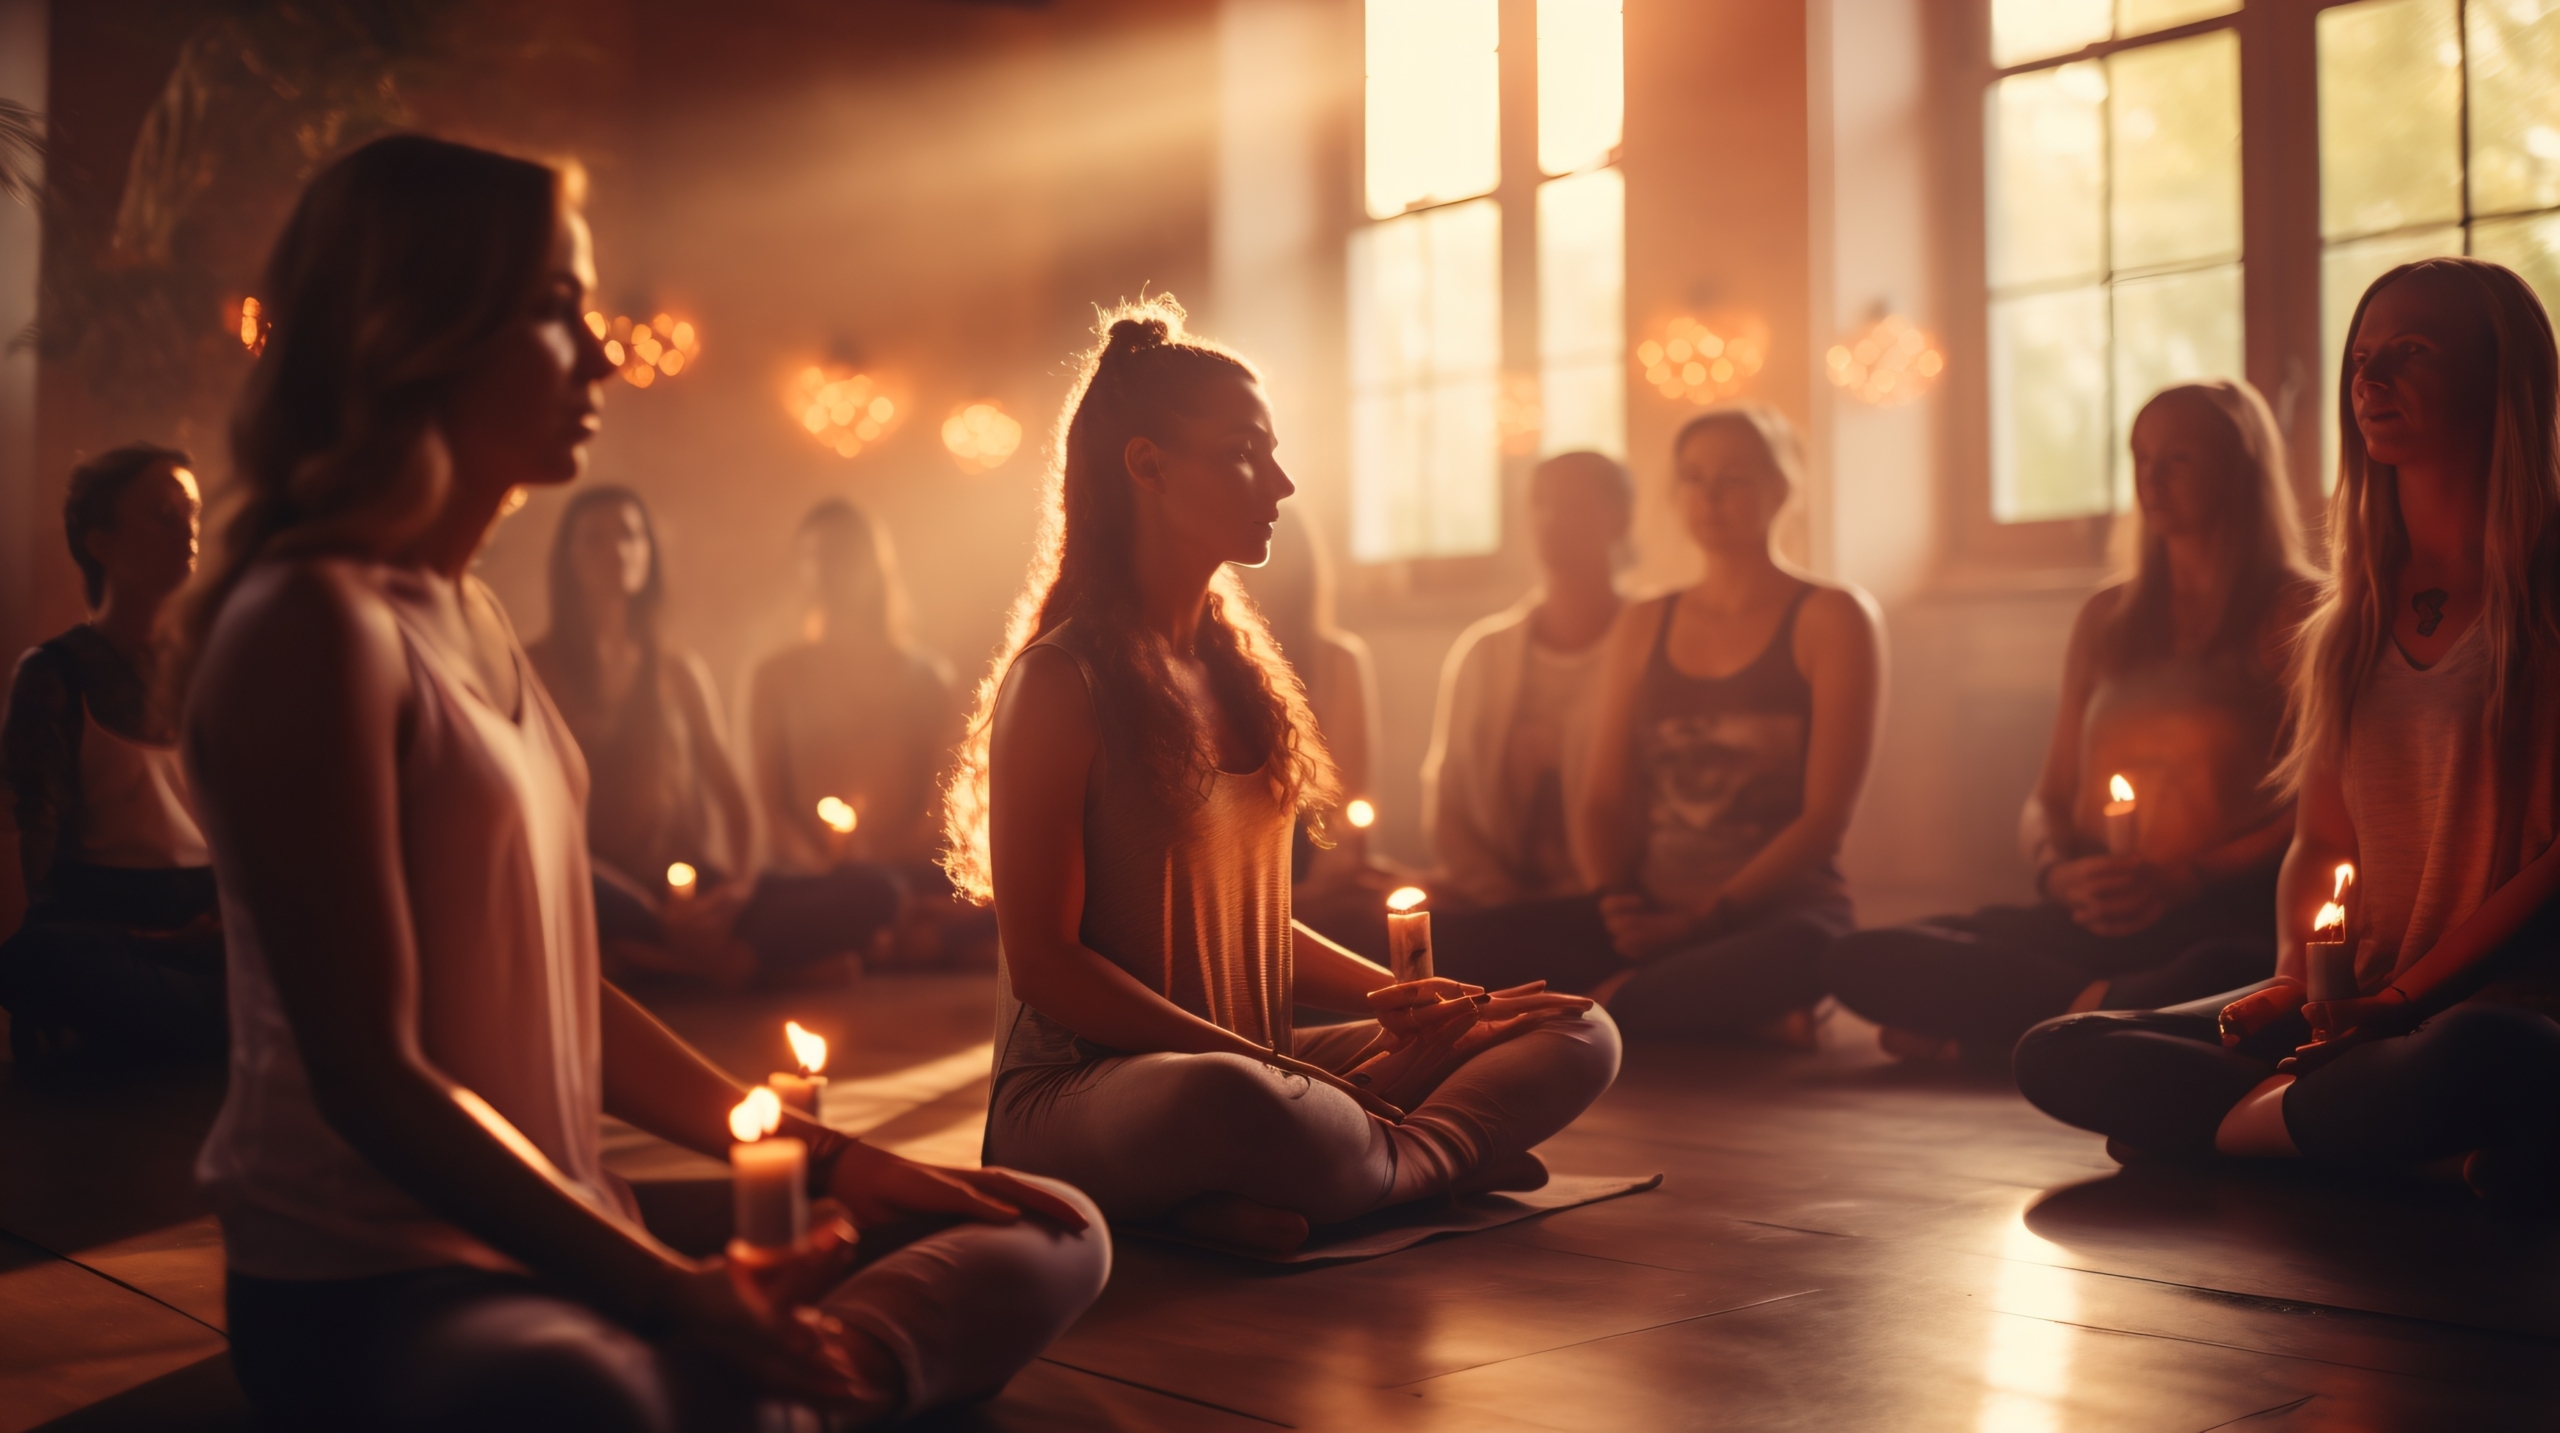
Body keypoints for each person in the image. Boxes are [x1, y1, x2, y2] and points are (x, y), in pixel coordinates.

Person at [179, 134, 1105, 1432]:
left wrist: (834, 1160)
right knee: (580, 1390)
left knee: (1048, 1221)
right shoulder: (310, 625)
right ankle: (762, 1379)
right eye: (558, 311)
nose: (606, 352)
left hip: (568, 1218)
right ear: (421, 327)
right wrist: (672, 1291)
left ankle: (769, 1390)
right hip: (371, 1279)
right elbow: (368, 1077)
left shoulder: (473, 616)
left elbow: (568, 990)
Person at [948, 297, 1619, 1255]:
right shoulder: (1060, 681)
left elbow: (1250, 917)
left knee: (1572, 1026)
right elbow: (1049, 966)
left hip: (1267, 1055)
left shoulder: (1235, 669)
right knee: (1234, 1100)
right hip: (1096, 1092)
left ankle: (1343, 1173)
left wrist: (1395, 997)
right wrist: (1269, 1066)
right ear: (1147, 466)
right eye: (1246, 451)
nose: (1283, 480)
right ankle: (1429, 1163)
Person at [2014, 258, 2560, 1206]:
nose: (2370, 379)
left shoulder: (2547, 599)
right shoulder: (2350, 617)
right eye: (2362, 356)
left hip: (2491, 1011)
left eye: (2412, 351)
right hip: (2354, 1005)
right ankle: (2386, 1144)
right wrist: (2286, 979)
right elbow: (2320, 839)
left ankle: (2252, 1128)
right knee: (2060, 1050)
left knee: (2487, 1052)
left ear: (2500, 374)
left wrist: (2397, 1002)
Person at [1824, 380, 2316, 1063]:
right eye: (2139, 456)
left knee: (2239, 976)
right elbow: (2048, 797)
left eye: (2178, 459)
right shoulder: (2107, 619)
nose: (2150, 477)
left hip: (2219, 916)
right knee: (1856, 956)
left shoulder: (2297, 613)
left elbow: (2323, 804)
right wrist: (2057, 873)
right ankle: (2097, 1018)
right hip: (2096, 918)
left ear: (2241, 468)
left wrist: (2193, 876)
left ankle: (2017, 1027)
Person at [1432, 405, 1884, 1045]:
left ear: (1781, 487)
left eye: (1733, 478)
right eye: (1694, 479)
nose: (1710, 499)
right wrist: (1616, 905)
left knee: (1814, 954)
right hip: (1647, 906)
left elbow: (1825, 818)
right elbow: (1605, 797)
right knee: (1436, 943)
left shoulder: (1834, 616)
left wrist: (1702, 919)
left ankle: (1597, 1008)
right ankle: (1638, 1003)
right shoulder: (1648, 620)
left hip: (1773, 912)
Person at [530, 486, 901, 986]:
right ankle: (726, 966)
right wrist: (642, 905)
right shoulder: (537, 669)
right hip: (595, 885)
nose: (617, 550)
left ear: (649, 555)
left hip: (691, 887)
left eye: (631, 535)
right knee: (554, 888)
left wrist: (738, 888)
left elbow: (733, 797)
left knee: (878, 890)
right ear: (568, 559)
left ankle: (664, 966)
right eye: (595, 540)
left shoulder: (677, 670)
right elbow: (535, 812)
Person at [0, 444, 224, 1066]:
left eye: (192, 512)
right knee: (32, 959)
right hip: (116, 925)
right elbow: (39, 847)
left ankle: (191, 1020)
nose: (187, 529)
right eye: (162, 512)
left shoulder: (215, 666)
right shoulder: (56, 673)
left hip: (210, 916)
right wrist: (159, 942)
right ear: (100, 542)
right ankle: (217, 1023)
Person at [744, 500, 988, 969]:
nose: (831, 570)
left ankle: (878, 937)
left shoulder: (926, 677)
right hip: (814, 877)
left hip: (907, 867)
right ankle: (903, 937)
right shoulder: (775, 676)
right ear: (801, 570)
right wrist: (825, 867)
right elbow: (772, 808)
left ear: (877, 567)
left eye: (846, 554)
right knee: (864, 894)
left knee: (1013, 899)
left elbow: (943, 806)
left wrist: (888, 853)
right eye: (817, 556)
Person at [1422, 450, 1631, 910]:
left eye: (1573, 505)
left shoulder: (1652, 644)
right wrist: (1490, 889)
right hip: (1499, 901)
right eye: (1541, 503)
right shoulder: (1484, 653)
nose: (1551, 519)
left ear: (1618, 519)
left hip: (1617, 904)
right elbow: (1447, 798)